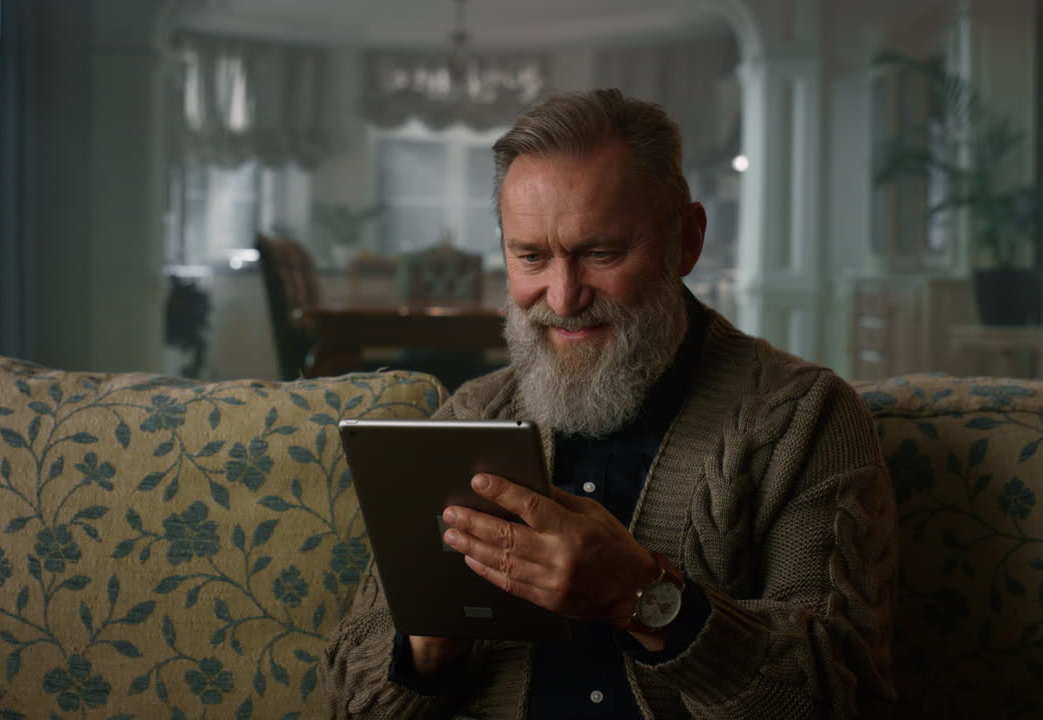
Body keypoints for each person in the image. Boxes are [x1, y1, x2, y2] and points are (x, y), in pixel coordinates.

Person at [319, 88, 897, 719]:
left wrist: (644, 596)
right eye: (532, 257)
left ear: (686, 241)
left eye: (600, 253)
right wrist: (430, 649)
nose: (562, 298)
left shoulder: (805, 420)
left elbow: (845, 697)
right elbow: (351, 705)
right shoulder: (467, 418)